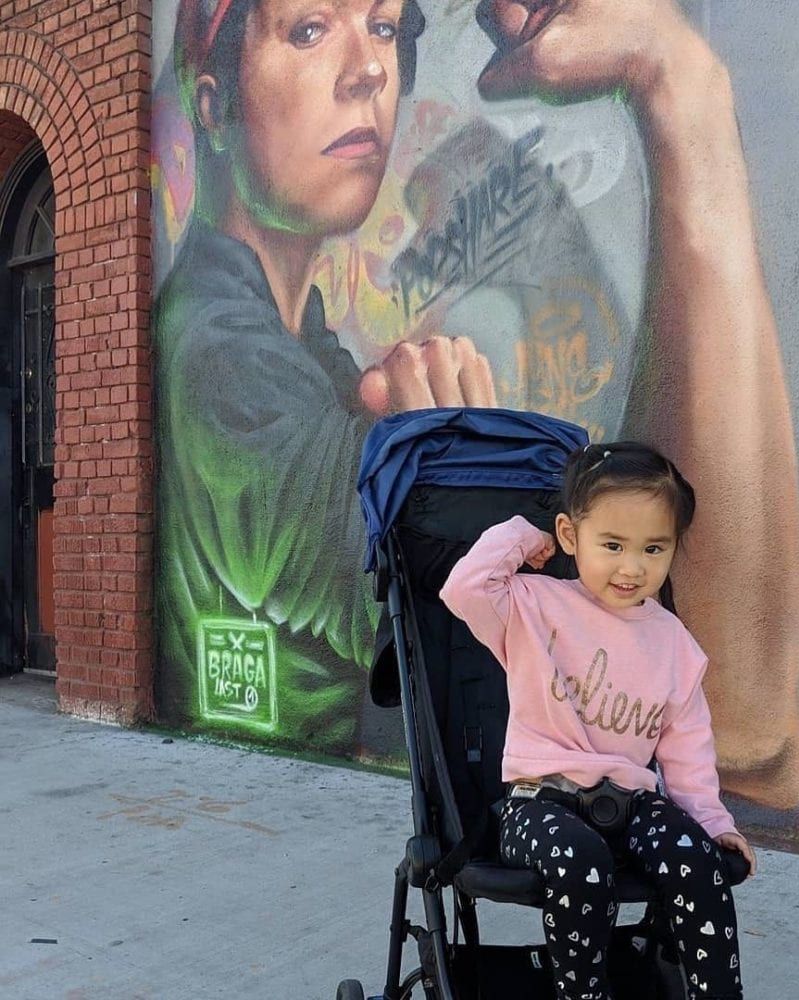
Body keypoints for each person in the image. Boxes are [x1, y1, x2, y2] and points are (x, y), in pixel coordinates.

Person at [474, 0, 799, 810]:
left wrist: (671, 72)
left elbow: (752, 750)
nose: (503, 15)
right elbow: (748, 741)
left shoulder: (656, 630)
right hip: (557, 809)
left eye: (388, 28)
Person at [156, 0, 497, 740]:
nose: (372, 69)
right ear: (215, 112)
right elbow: (421, 606)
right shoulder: (224, 363)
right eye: (309, 29)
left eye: (385, 26)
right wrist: (447, 455)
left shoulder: (299, 337)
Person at [441, 442, 756, 1000]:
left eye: (653, 548)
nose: (632, 567)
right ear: (571, 536)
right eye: (612, 545)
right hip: (540, 803)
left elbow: (687, 755)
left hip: (633, 804)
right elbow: (463, 588)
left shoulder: (674, 645)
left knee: (698, 864)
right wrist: (527, 537)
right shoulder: (533, 605)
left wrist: (712, 823)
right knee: (582, 862)